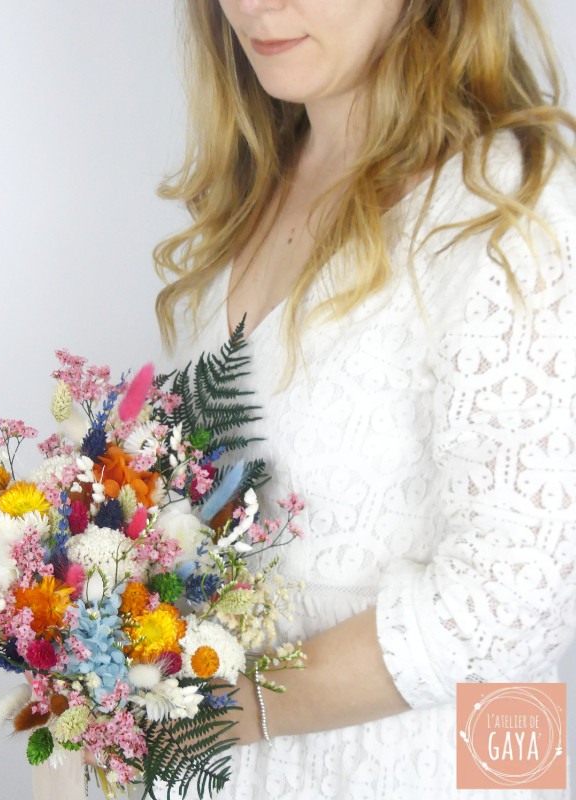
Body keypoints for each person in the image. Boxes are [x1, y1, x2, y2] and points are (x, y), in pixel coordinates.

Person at [153, 1, 576, 797]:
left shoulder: (507, 208)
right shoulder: (256, 185)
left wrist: (224, 710)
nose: (255, 6)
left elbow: (518, 602)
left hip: (417, 767)